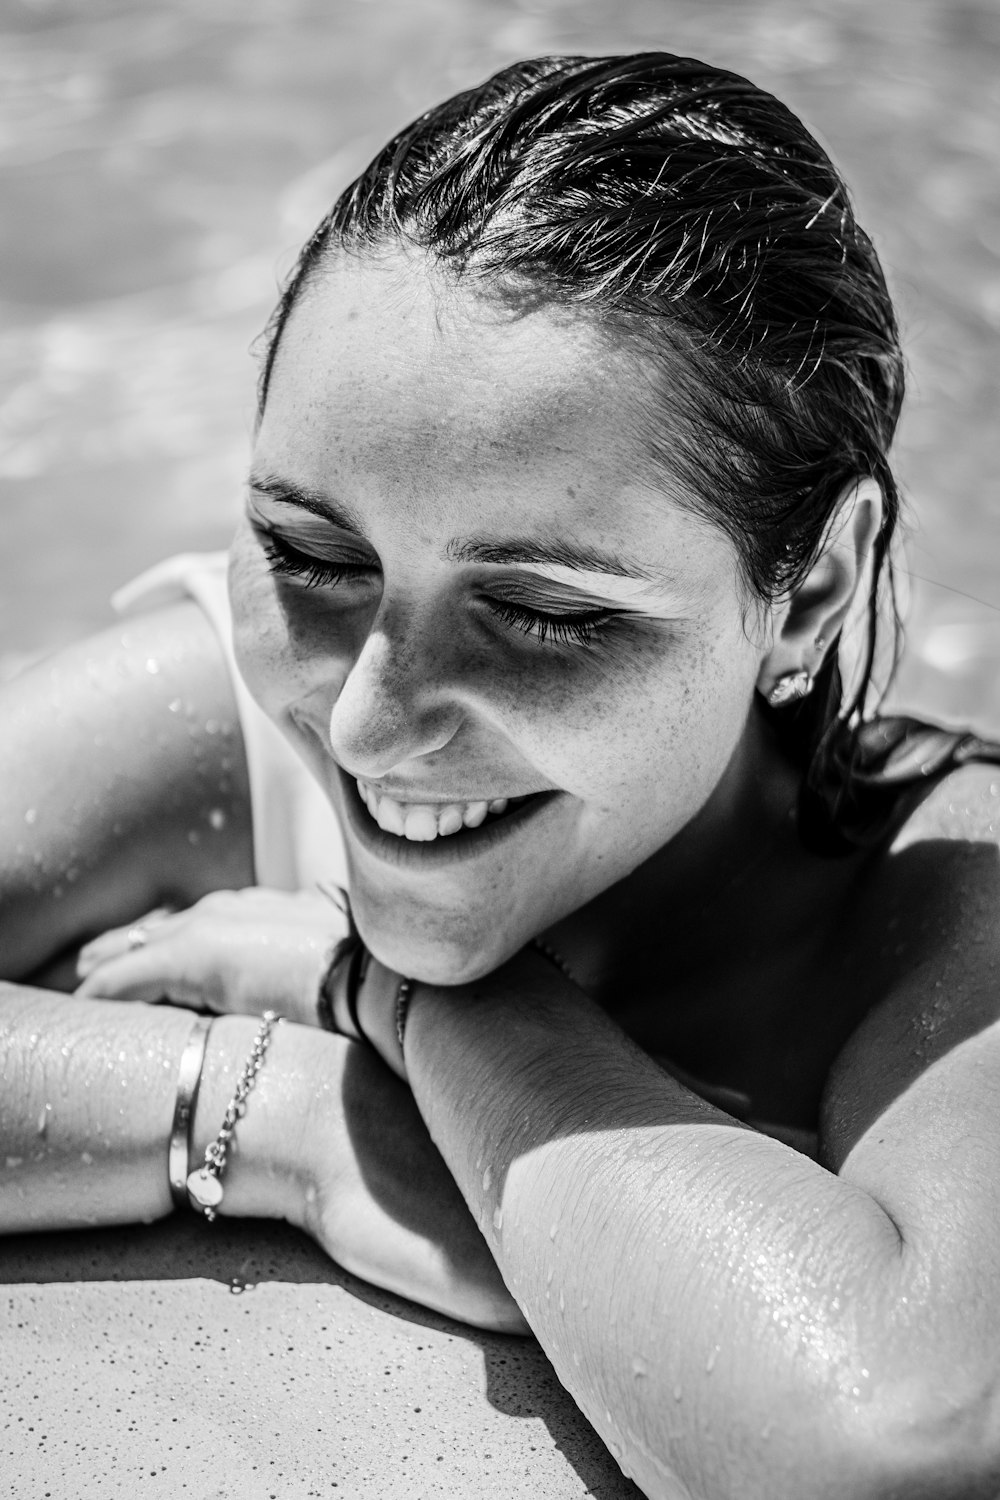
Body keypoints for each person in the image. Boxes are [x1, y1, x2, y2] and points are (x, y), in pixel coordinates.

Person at [2, 51, 999, 1499]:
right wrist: (276, 1109)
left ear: (817, 591)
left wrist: (405, 998)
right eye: (314, 555)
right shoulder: (210, 712)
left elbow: (893, 1442)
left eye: (541, 614)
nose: (364, 722)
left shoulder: (944, 916)